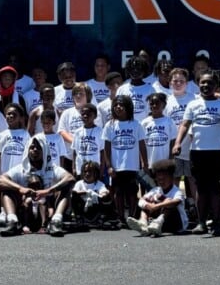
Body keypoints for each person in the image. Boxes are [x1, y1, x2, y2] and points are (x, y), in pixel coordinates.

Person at [173, 71, 220, 236]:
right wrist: (178, 143)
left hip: (218, 152)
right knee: (201, 189)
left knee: (216, 189)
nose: (205, 86)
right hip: (198, 152)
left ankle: (216, 224)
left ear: (216, 86)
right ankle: (201, 223)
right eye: (202, 83)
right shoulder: (193, 104)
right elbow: (185, 125)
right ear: (198, 84)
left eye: (209, 83)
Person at [0, 136, 75, 236]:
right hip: (25, 212)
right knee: (6, 189)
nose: (35, 150)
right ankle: (12, 222)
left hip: (47, 211)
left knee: (65, 187)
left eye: (38, 147)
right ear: (27, 150)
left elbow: (70, 178)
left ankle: (56, 222)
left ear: (45, 150)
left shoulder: (52, 168)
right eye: (32, 147)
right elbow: (0, 180)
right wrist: (20, 188)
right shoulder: (21, 168)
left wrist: (48, 191)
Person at [104, 94, 147, 224]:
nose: (118, 107)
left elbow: (141, 145)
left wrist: (145, 163)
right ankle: (120, 217)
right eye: (116, 105)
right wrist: (109, 166)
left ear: (128, 107)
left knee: (132, 192)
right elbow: (106, 147)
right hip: (117, 166)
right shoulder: (110, 125)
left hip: (132, 165)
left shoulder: (136, 124)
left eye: (121, 105)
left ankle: (132, 216)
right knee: (118, 192)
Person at [164, 67, 198, 208]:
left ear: (187, 83)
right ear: (170, 82)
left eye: (181, 81)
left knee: (193, 180)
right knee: (174, 179)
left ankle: (198, 212)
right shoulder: (166, 100)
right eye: (175, 81)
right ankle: (173, 210)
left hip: (191, 146)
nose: (178, 83)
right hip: (174, 148)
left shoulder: (194, 99)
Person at [126, 159, 188, 237]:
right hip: (164, 225)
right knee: (147, 202)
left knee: (168, 202)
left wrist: (157, 206)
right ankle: (143, 223)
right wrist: (147, 205)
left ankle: (158, 222)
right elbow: (141, 200)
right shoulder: (156, 190)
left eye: (164, 179)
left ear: (172, 178)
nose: (161, 182)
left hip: (177, 224)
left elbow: (176, 201)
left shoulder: (176, 191)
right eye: (159, 180)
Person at [0, 103, 31, 225]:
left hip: (20, 169)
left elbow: (28, 153)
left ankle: (18, 212)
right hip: (6, 168)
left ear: (20, 117)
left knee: (19, 190)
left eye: (13, 114)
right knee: (5, 189)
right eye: (8, 114)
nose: (10, 116)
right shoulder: (3, 134)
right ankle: (4, 211)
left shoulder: (25, 134)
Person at [71, 160, 114, 227]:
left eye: (90, 171)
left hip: (95, 208)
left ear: (96, 173)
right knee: (73, 197)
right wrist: (87, 192)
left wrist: (99, 195)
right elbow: (74, 192)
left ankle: (101, 218)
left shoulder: (100, 184)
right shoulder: (79, 183)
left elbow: (105, 192)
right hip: (83, 208)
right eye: (85, 172)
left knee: (107, 198)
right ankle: (79, 218)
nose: (87, 174)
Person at [141, 92, 177, 174]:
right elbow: (142, 144)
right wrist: (144, 162)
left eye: (157, 103)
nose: (154, 106)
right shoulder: (144, 123)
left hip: (164, 163)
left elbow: (173, 142)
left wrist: (171, 160)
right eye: (151, 104)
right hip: (149, 163)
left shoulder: (169, 122)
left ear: (163, 105)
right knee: (149, 186)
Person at [116, 54, 155, 122]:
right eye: (133, 68)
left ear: (144, 70)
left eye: (138, 68)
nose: (135, 71)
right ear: (128, 70)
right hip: (126, 127)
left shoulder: (150, 89)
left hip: (144, 128)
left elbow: (152, 112)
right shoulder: (121, 89)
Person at [70, 103, 104, 177]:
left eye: (88, 114)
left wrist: (101, 170)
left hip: (94, 169)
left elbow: (102, 153)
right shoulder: (77, 132)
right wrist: (74, 168)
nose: (85, 116)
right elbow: (75, 152)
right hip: (80, 169)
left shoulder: (100, 131)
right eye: (83, 114)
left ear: (95, 116)